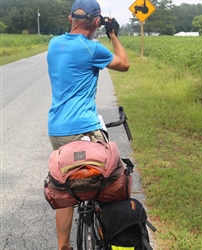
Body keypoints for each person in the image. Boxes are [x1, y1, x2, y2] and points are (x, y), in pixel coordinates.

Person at [46, 0, 129, 249]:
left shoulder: (54, 44)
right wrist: (112, 33)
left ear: (71, 19)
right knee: (109, 179)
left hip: (57, 130)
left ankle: (64, 246)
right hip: (85, 129)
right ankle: (112, 239)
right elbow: (124, 64)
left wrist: (95, 26)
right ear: (96, 21)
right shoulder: (92, 48)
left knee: (66, 189)